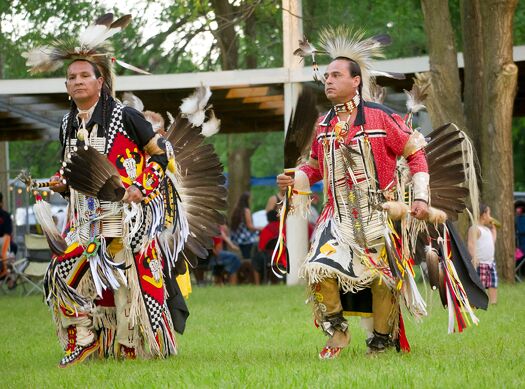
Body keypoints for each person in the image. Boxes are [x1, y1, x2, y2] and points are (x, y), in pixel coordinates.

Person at [22, 14, 226, 367]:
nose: (77, 81)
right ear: (66, 85)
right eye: (71, 77)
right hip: (85, 218)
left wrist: (138, 188)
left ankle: (133, 345)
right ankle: (85, 337)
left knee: (127, 284)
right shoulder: (68, 123)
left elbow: (160, 155)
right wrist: (60, 183)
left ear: (101, 81)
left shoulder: (125, 115)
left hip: (127, 216)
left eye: (85, 75)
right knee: (64, 273)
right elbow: (74, 170)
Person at [278, 28, 430, 359]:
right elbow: (315, 167)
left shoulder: (381, 118)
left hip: (378, 213)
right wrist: (297, 178)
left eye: (336, 75)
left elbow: (415, 155)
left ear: (356, 80)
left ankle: (380, 340)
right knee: (317, 267)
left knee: (381, 279)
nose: (328, 81)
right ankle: (336, 329)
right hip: (338, 216)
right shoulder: (323, 125)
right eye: (327, 75)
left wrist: (419, 198)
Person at [468, 204, 498, 304]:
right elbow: (471, 244)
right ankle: (478, 301)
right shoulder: (475, 229)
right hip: (480, 262)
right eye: (489, 214)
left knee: (493, 283)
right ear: (484, 215)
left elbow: (491, 241)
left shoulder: (487, 230)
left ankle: (493, 302)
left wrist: (494, 230)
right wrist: (474, 257)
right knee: (480, 284)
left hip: (490, 262)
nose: (490, 217)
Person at [230, 192, 261, 260]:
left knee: (245, 257)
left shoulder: (237, 209)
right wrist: (261, 228)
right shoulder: (246, 210)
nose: (252, 201)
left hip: (238, 238)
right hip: (246, 239)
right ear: (247, 200)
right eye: (251, 200)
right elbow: (250, 226)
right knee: (249, 257)